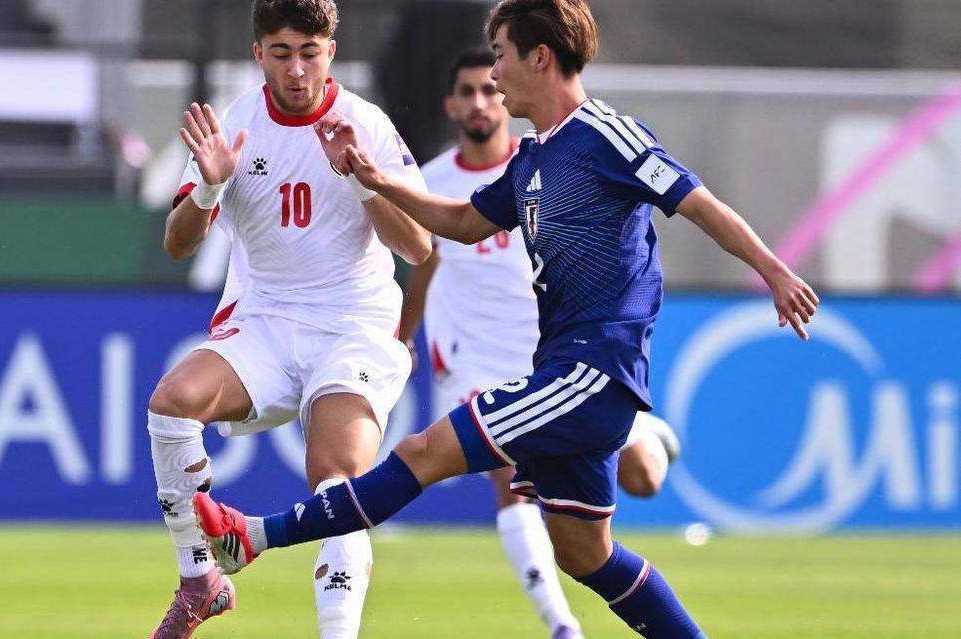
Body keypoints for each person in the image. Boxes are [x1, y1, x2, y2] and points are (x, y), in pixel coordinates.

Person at [193, 1, 820, 637]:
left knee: (422, 451)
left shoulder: (607, 135)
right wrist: (373, 178)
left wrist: (774, 271)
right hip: (565, 368)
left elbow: (699, 202)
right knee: (585, 555)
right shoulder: (530, 157)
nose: (494, 75)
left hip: (591, 372)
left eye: (500, 55)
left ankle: (254, 535)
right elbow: (463, 223)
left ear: (539, 58)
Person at [147, 1, 431, 637]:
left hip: (353, 325)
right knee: (171, 403)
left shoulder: (365, 124)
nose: (297, 70)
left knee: (336, 480)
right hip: (266, 322)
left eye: (309, 53)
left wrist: (363, 181)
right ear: (259, 55)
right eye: (281, 53)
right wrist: (209, 188)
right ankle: (200, 581)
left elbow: (418, 247)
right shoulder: (236, 125)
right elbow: (177, 244)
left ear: (331, 52)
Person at [402, 47, 681, 639]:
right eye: (467, 92)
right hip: (473, 356)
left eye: (488, 87)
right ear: (452, 105)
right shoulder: (434, 180)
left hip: (555, 356)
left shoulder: (542, 163)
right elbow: (427, 261)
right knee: (509, 479)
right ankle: (561, 625)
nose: (480, 101)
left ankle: (649, 434)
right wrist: (403, 335)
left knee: (642, 479)